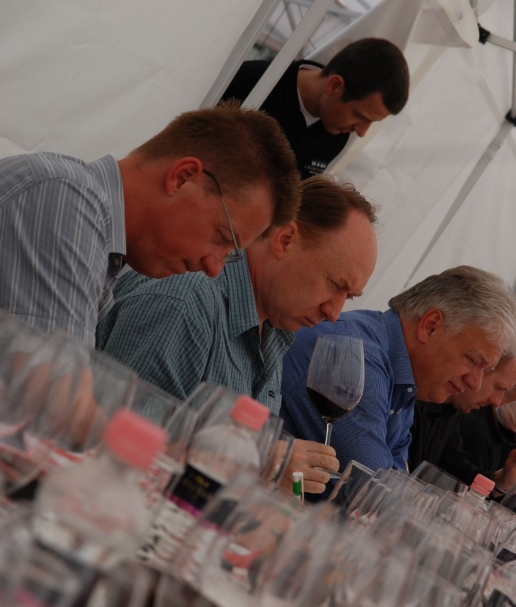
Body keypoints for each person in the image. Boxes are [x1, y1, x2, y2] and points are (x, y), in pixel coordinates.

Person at [97, 176, 377, 492]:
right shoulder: (186, 300)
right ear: (285, 239)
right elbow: (115, 449)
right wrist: (259, 464)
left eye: (349, 297)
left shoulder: (274, 330)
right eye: (335, 285)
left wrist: (278, 494)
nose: (335, 312)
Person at [0, 102, 300, 345]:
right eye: (222, 237)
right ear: (182, 178)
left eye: (229, 254)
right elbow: (52, 390)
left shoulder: (96, 238)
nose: (213, 268)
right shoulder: (68, 199)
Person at [281, 267, 516, 476]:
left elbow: (395, 478)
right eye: (472, 361)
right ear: (431, 326)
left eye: (486, 370)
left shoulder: (405, 380)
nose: (475, 383)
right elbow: (367, 489)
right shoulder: (359, 356)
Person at [222, 38, 409, 178]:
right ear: (334, 86)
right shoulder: (250, 83)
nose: (361, 132)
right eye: (359, 116)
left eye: (372, 123)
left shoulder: (337, 135)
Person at [409, 357, 516, 493]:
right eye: (497, 387)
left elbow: (456, 469)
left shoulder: (450, 410)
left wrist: (501, 481)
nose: (497, 402)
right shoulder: (416, 398)